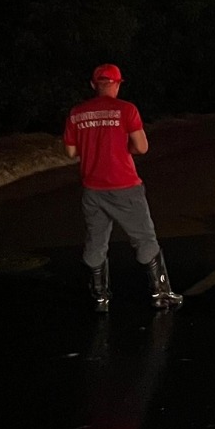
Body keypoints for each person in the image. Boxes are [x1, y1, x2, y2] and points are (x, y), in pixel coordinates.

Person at [63, 63, 181, 312]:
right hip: (125, 186)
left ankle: (99, 297)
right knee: (144, 238)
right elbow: (142, 147)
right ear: (117, 84)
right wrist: (120, 148)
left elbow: (71, 151)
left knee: (96, 241)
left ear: (94, 85)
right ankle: (161, 293)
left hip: (92, 189)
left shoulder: (77, 113)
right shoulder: (126, 110)